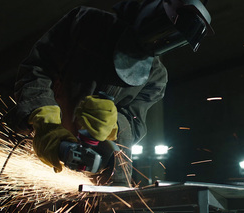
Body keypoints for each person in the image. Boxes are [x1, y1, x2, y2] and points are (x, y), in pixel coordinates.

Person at [12, 0, 214, 186]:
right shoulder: (86, 22)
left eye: (172, 38)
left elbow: (136, 124)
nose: (161, 40)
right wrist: (45, 123)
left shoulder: (156, 77)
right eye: (164, 29)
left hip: (105, 169)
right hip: (44, 142)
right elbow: (36, 69)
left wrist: (114, 124)